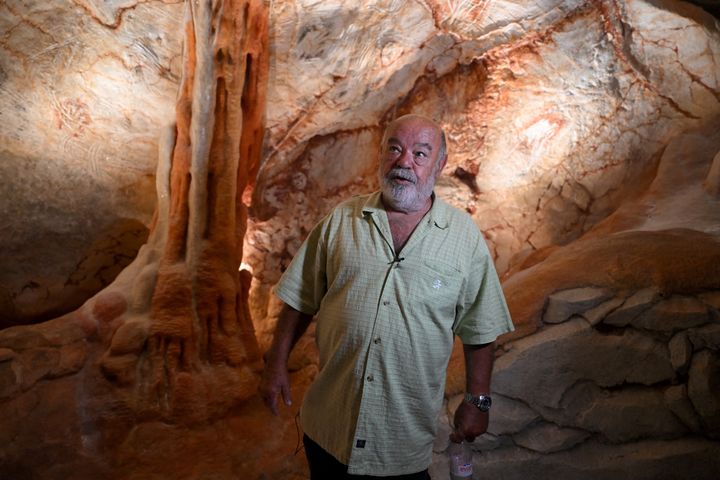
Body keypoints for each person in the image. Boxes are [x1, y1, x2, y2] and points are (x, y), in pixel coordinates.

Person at [259, 114, 514, 479]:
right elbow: (301, 297)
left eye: (420, 153)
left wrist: (478, 401)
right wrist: (275, 362)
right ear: (381, 155)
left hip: (401, 441)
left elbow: (480, 328)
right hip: (329, 429)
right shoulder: (341, 221)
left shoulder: (464, 239)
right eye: (394, 148)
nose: (404, 161)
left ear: (439, 164)